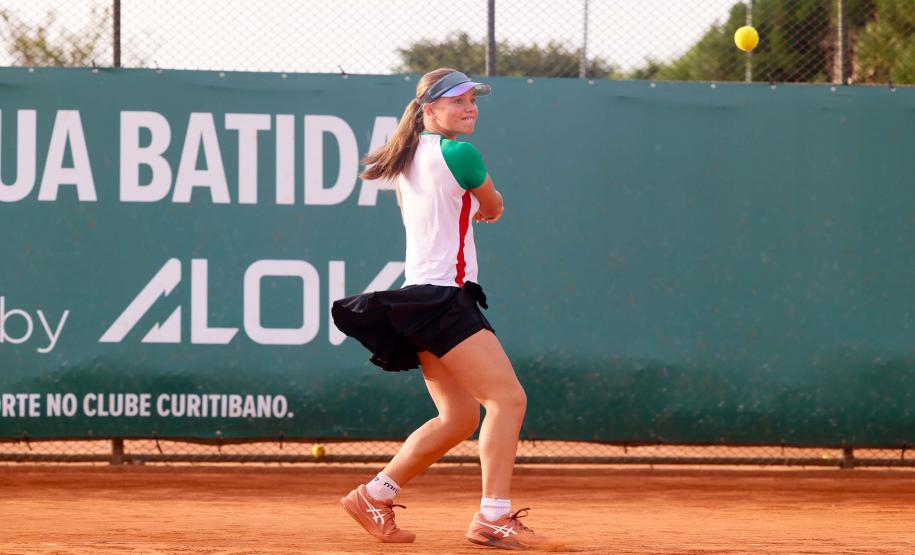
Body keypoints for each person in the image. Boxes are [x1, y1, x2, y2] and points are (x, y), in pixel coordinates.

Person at [332, 68, 545, 550]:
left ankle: (373, 495)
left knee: (458, 418)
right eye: (457, 101)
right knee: (507, 400)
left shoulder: (407, 159)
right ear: (429, 109)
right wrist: (486, 206)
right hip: (445, 299)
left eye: (473, 100)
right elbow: (494, 206)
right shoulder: (461, 153)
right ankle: (494, 516)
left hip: (420, 300)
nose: (470, 108)